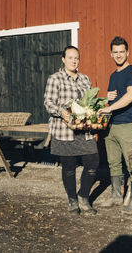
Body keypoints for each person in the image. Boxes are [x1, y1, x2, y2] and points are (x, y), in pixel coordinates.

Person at [44, 45, 99, 215]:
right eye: (70, 57)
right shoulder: (55, 79)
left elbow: (91, 102)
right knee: (69, 167)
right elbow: (48, 103)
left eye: (76, 58)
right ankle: (72, 201)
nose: (74, 61)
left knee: (93, 162)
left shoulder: (84, 79)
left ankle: (83, 196)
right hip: (63, 130)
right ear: (63, 59)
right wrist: (61, 111)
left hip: (84, 130)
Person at [98, 36, 132, 215]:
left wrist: (109, 108)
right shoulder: (113, 75)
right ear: (111, 54)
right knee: (113, 163)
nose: (118, 55)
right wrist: (106, 100)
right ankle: (116, 196)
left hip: (127, 125)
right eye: (115, 52)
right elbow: (114, 97)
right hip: (111, 126)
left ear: (127, 52)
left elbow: (131, 96)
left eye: (121, 52)